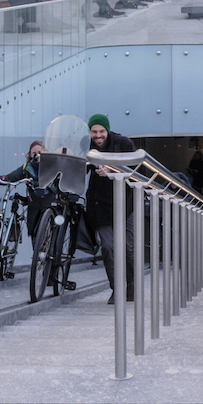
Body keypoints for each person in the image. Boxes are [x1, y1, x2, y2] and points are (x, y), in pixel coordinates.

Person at [82, 113, 142, 302]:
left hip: (124, 203)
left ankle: (131, 284)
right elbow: (78, 166)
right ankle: (117, 288)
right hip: (100, 205)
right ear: (89, 132)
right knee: (108, 247)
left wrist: (112, 169)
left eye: (101, 131)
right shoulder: (85, 145)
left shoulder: (122, 143)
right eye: (94, 132)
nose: (98, 136)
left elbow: (137, 169)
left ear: (107, 130)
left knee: (128, 248)